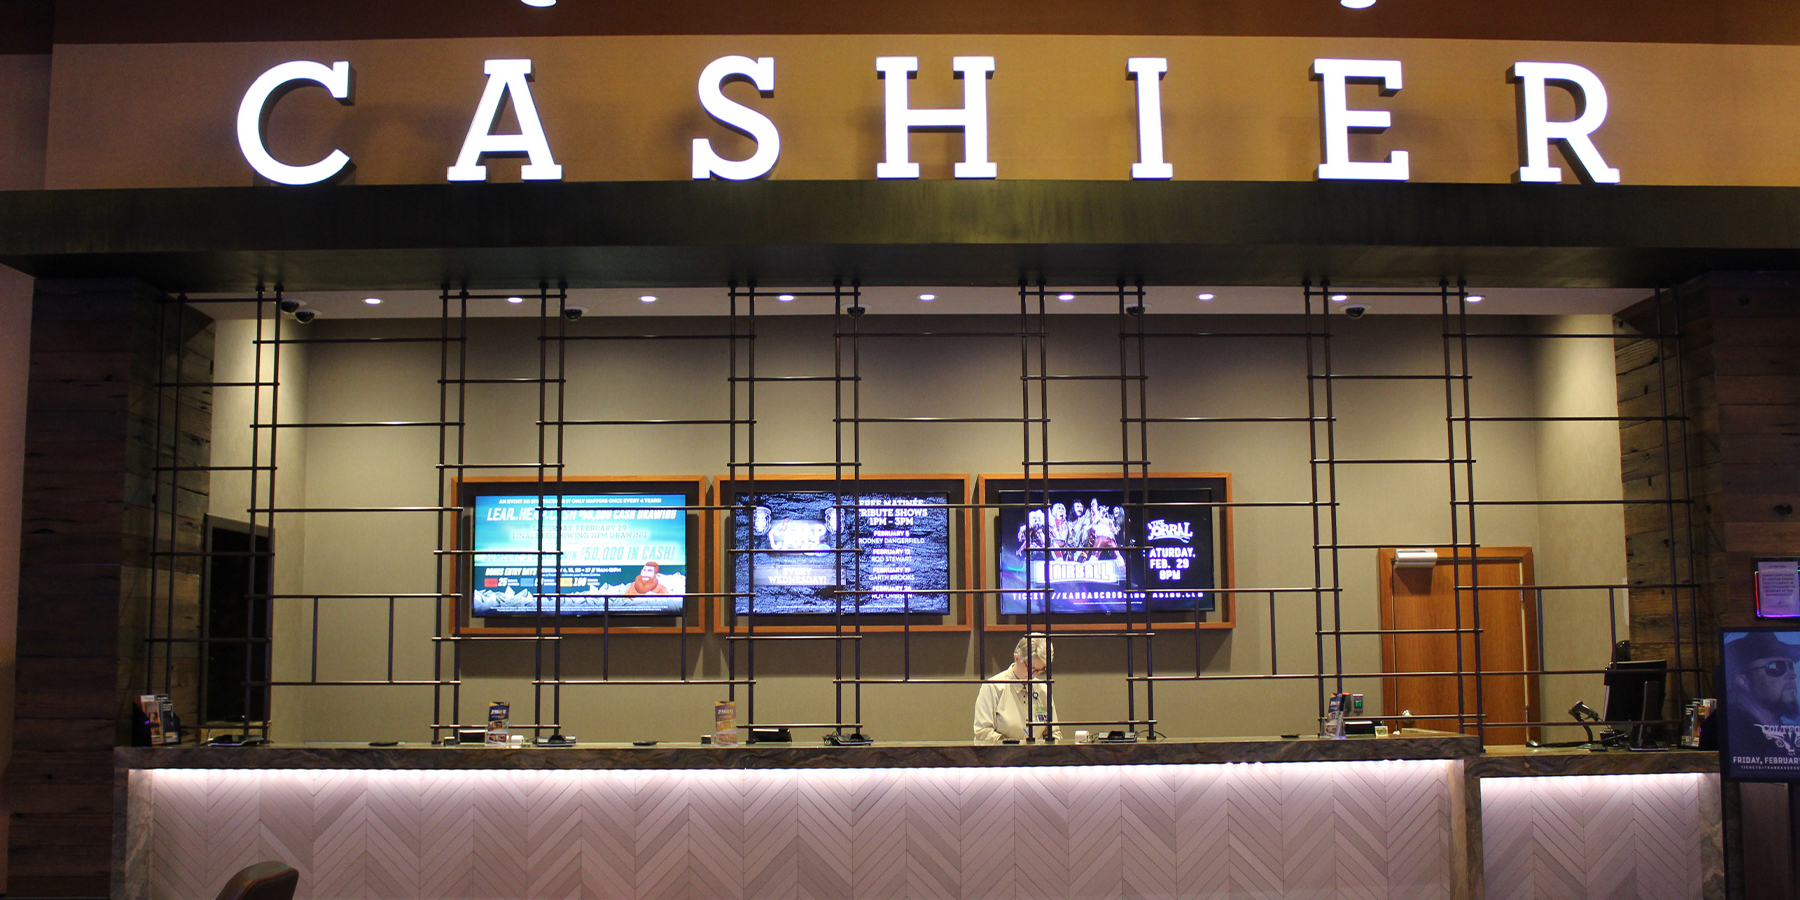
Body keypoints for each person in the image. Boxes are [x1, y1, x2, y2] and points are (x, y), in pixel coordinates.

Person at [973, 633, 1062, 742]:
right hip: (1002, 756)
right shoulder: (993, 687)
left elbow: (1054, 732)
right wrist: (1013, 747)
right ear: (1017, 658)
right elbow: (983, 733)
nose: (1033, 675)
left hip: (1038, 757)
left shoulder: (1043, 689)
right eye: (1031, 668)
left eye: (1040, 670)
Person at [1725, 631, 1800, 756]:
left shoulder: (1787, 734)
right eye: (1776, 666)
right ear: (1744, 681)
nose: (1792, 674)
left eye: (1790, 666)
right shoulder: (1729, 731)